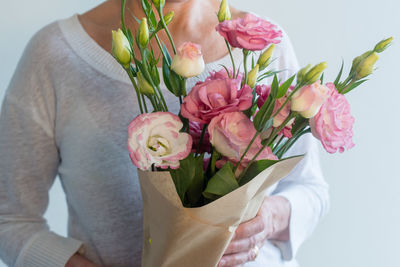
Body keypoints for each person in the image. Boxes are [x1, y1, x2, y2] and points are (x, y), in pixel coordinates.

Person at [0, 0, 329, 266]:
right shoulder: (55, 55)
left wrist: (268, 220)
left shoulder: (262, 44)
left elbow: (309, 189)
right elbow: (10, 220)